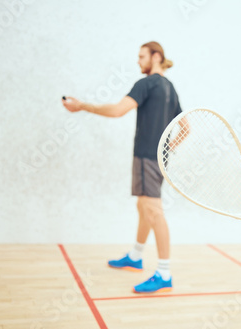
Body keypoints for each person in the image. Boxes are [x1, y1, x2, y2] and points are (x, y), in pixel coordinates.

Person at [62, 41, 185, 293]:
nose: (138, 61)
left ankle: (164, 273)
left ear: (156, 56)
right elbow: (185, 128)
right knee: (143, 206)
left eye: (142, 56)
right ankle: (136, 256)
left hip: (146, 158)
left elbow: (118, 111)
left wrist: (82, 106)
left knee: (153, 211)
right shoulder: (171, 88)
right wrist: (167, 150)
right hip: (159, 159)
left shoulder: (147, 83)